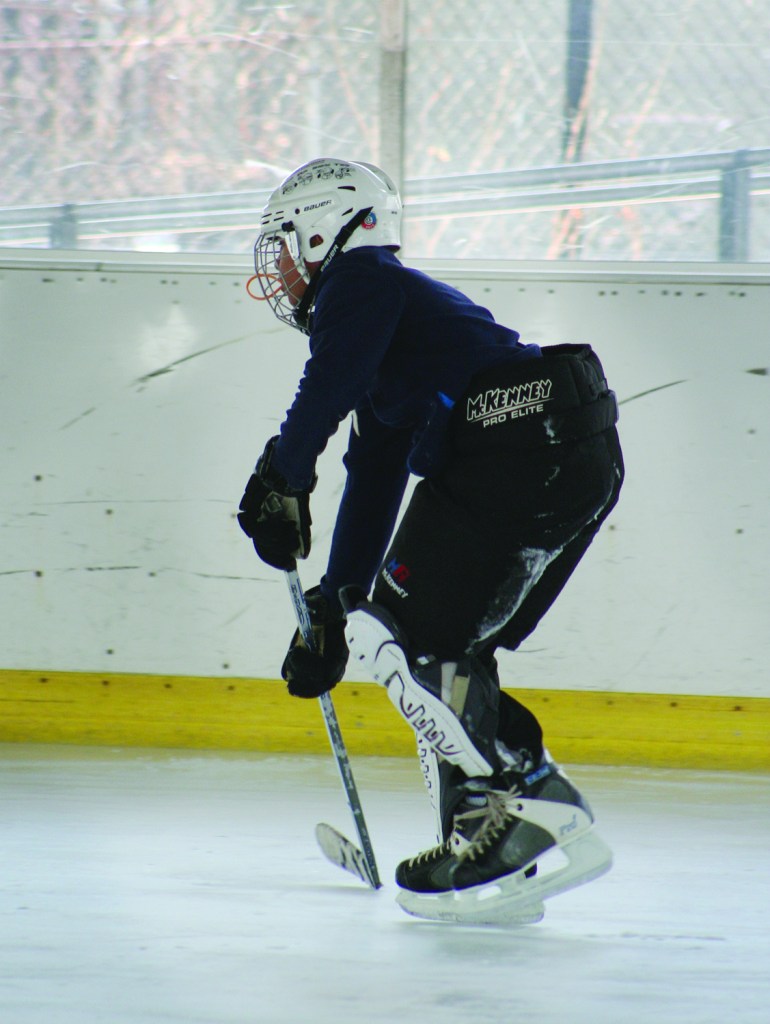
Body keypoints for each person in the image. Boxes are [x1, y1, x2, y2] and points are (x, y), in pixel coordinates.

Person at [237, 157, 624, 924]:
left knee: (402, 639)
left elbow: (327, 386)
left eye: (287, 244)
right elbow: (374, 476)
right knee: (443, 646)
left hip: (519, 444)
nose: (279, 268)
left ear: (326, 230)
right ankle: (488, 837)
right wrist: (333, 605)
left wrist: (283, 473)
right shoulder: (390, 327)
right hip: (570, 451)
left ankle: (536, 801)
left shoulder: (364, 282)